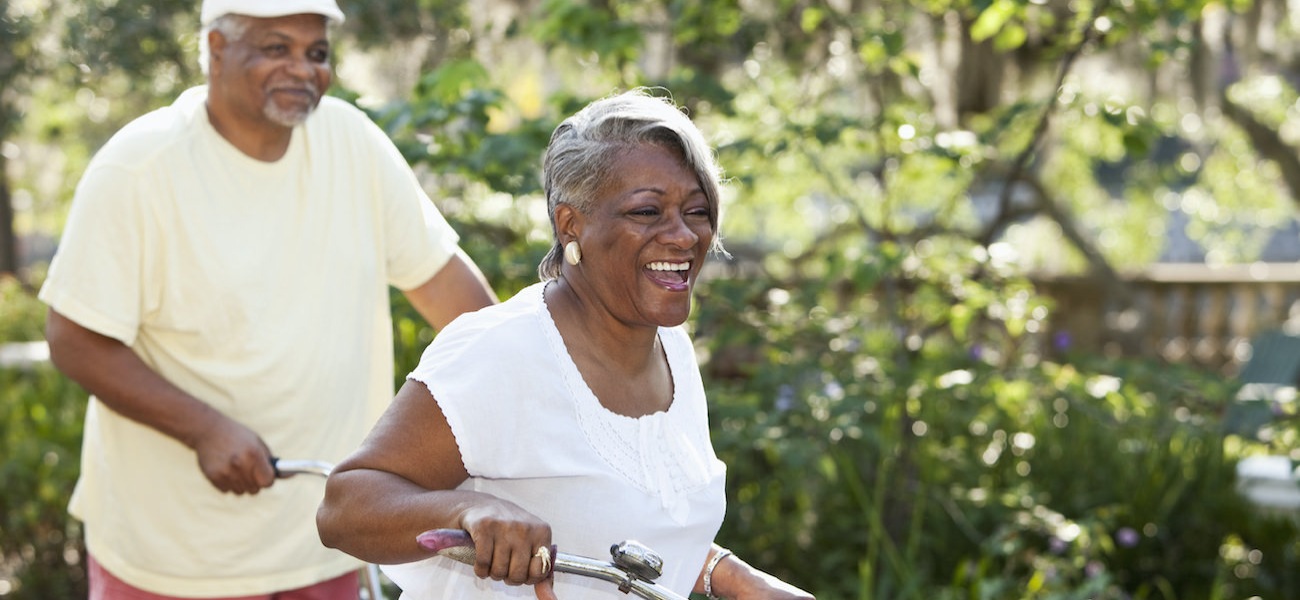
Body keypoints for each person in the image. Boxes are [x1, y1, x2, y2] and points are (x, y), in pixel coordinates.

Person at [38, 0, 498, 597]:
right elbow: (74, 339)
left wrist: (525, 398)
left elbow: (451, 295)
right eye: (276, 48)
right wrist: (203, 429)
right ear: (215, 50)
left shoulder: (352, 142)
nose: (303, 69)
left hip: (326, 537)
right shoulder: (138, 168)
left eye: (316, 52)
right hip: (173, 553)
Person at [315, 89, 814, 600]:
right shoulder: (500, 351)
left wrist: (735, 578)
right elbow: (343, 507)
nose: (684, 236)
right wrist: (466, 510)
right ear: (570, 223)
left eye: (698, 210)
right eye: (647, 212)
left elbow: (625, 522)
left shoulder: (673, 350)